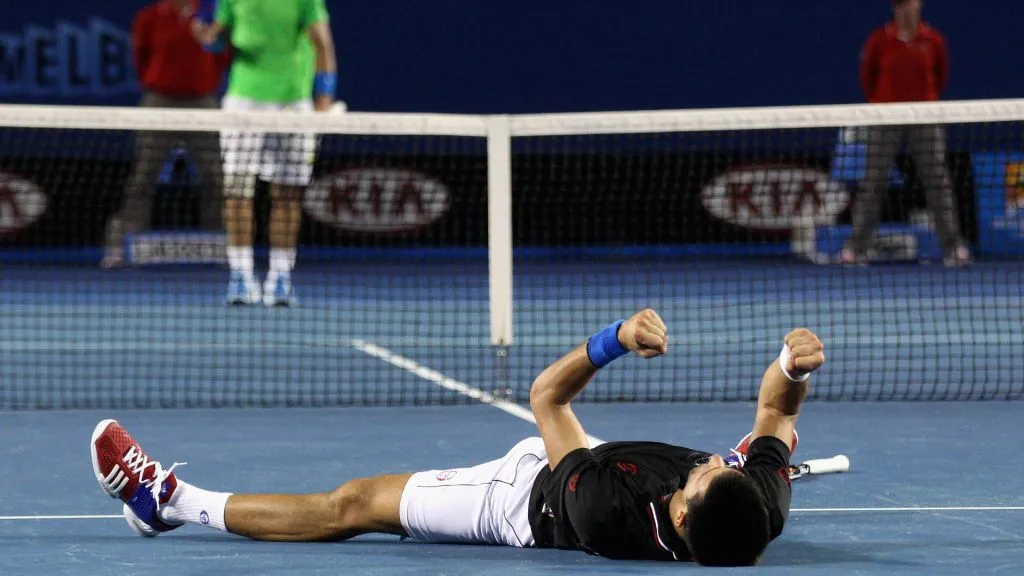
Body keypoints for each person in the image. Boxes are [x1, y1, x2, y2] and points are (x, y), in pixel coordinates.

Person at [91, 309, 825, 566]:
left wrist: (614, 339)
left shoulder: (607, 507)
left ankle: (170, 502)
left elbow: (545, 398)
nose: (702, 468)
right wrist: (791, 363)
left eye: (697, 481)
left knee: (351, 505)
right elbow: (777, 417)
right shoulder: (758, 504)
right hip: (591, 456)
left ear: (682, 515)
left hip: (528, 501)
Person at [189, 0, 337, 306]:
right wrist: (208, 38)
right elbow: (219, 42)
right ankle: (241, 274)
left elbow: (322, 43)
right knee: (237, 192)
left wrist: (323, 97)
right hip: (243, 102)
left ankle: (280, 276)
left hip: (293, 102)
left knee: (286, 194)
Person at [102, 0, 231, 268]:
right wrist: (161, 82)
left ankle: (224, 245)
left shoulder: (212, 15)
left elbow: (222, 55)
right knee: (144, 174)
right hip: (159, 101)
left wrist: (202, 82)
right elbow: (141, 57)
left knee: (216, 176)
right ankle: (119, 246)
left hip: (202, 102)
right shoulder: (149, 17)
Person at [847, 0, 971, 268]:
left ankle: (952, 247)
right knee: (873, 182)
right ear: (894, 9)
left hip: (924, 117)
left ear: (919, 5)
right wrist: (883, 105)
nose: (906, 9)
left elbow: (940, 76)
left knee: (938, 182)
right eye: (901, 5)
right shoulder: (879, 40)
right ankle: (856, 249)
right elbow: (867, 78)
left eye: (910, 4)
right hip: (885, 118)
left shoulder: (933, 40)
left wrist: (924, 104)